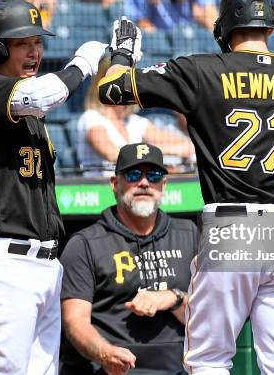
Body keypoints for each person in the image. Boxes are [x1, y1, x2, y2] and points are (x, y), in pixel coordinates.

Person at [98, 0, 274, 374]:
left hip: (231, 226)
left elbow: (111, 90)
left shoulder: (201, 69)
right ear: (271, 25)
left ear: (224, 26)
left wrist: (121, 53)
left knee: (209, 360)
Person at [0, 0, 107, 375]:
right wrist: (84, 63)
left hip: (43, 267)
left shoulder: (29, 116)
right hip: (0, 265)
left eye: (37, 41)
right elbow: (42, 95)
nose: (35, 51)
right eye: (22, 43)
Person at [60, 143, 198, 374]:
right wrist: (104, 353)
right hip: (109, 367)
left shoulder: (189, 234)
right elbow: (74, 321)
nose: (144, 183)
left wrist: (173, 298)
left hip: (177, 367)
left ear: (163, 185)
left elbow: (209, 320)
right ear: (115, 184)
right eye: (133, 174)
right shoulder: (84, 243)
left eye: (153, 175)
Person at [78, 58, 195, 176]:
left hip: (132, 184)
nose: (131, 86)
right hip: (100, 188)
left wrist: (173, 149)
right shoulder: (91, 118)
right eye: (125, 80)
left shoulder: (135, 122)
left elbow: (187, 145)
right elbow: (113, 154)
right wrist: (163, 151)